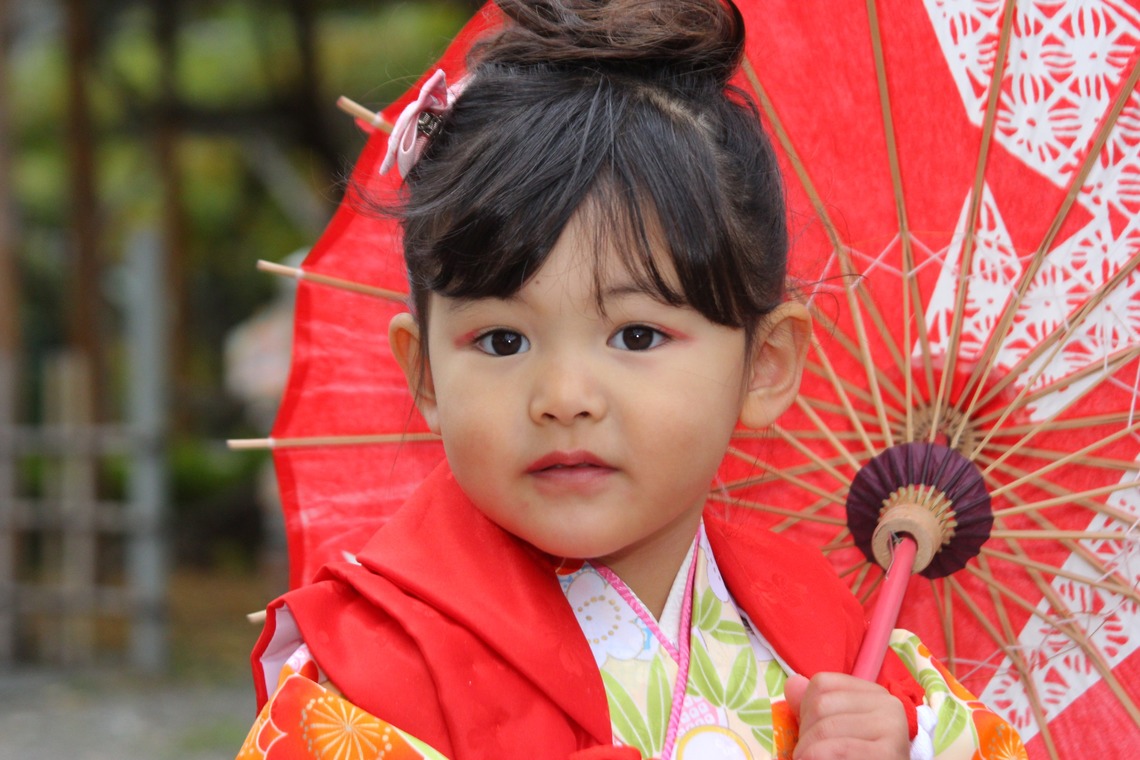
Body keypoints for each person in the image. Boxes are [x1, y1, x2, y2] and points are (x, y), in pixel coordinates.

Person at [238, 1, 1024, 758]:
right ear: (427, 374)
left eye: (637, 334)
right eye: (503, 339)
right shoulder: (371, 677)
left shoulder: (835, 646)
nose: (564, 397)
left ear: (767, 363)